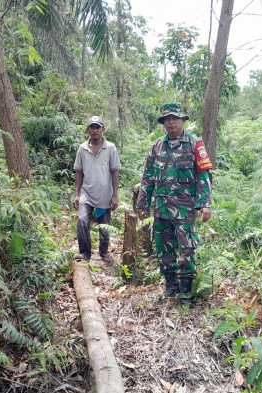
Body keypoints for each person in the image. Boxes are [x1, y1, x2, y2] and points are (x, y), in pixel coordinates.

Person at [137, 103, 212, 306]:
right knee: (163, 248)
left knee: (187, 248)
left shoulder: (194, 144)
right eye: (167, 119)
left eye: (174, 118)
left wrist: (205, 204)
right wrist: (142, 202)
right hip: (161, 208)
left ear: (182, 120)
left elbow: (203, 176)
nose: (170, 122)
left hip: (185, 208)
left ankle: (186, 290)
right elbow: (148, 176)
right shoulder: (157, 146)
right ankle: (171, 286)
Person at [73, 115, 120, 263]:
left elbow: (115, 172)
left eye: (98, 127)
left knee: (104, 227)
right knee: (82, 221)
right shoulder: (82, 148)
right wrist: (77, 194)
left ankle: (104, 253)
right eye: (92, 127)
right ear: (87, 130)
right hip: (86, 193)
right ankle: (85, 253)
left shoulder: (110, 148)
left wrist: (115, 195)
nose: (95, 130)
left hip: (105, 194)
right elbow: (79, 172)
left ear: (103, 130)